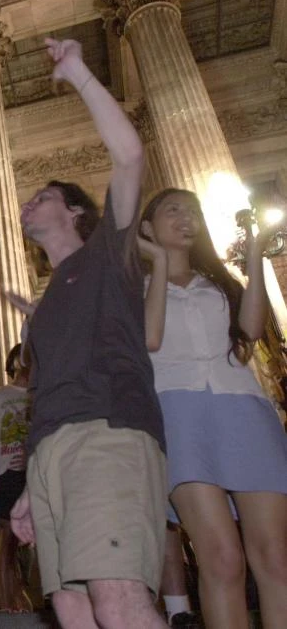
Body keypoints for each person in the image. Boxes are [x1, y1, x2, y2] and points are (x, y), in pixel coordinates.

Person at [8, 38, 169, 629]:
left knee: (119, 601)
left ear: (75, 212)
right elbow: (40, 393)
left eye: (42, 195)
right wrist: (30, 482)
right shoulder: (47, 306)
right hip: (53, 450)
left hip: (108, 429)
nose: (29, 202)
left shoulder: (107, 252)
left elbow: (129, 157)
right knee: (73, 608)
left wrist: (77, 74)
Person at [139, 187, 287, 628]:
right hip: (178, 415)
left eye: (194, 212)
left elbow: (251, 328)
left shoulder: (218, 283)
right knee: (221, 558)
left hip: (244, 408)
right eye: (173, 211)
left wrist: (255, 256)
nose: (187, 218)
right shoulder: (135, 289)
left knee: (275, 556)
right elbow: (151, 340)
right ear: (147, 228)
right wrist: (161, 265)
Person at [0, 343, 32, 613]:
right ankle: (6, 603)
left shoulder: (42, 395)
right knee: (8, 540)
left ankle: (25, 598)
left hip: (35, 473)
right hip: (6, 473)